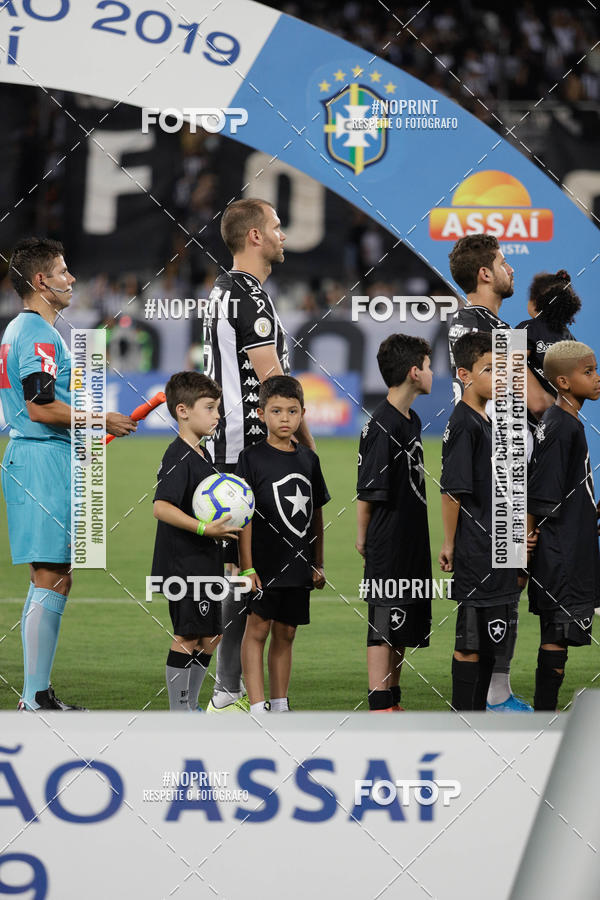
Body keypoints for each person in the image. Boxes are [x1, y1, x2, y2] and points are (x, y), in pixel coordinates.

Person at [0, 237, 137, 710]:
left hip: (45, 458)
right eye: (62, 271)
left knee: (56, 574)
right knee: (52, 575)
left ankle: (38, 691)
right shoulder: (36, 332)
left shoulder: (33, 329)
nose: (71, 278)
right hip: (42, 458)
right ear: (41, 282)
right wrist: (102, 420)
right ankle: (35, 696)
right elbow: (40, 409)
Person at [203, 198, 315, 713]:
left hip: (223, 446)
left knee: (237, 567)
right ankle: (229, 691)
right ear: (254, 238)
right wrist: (304, 444)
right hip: (246, 449)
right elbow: (273, 380)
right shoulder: (247, 294)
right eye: (275, 226)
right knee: (246, 569)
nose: (282, 235)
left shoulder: (223, 291)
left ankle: (228, 687)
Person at [447, 233, 547, 712]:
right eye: (505, 262)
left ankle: (494, 690)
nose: (512, 269)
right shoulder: (488, 331)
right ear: (485, 273)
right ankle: (493, 693)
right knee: (503, 584)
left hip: (495, 467)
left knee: (506, 583)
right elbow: (536, 402)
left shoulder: (474, 324)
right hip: (499, 472)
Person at [439, 332, 523, 711]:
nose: (499, 377)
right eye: (489, 370)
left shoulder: (485, 420)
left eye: (502, 369)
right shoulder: (464, 424)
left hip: (497, 548)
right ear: (464, 374)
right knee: (470, 642)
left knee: (493, 638)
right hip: (476, 550)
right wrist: (449, 543)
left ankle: (481, 719)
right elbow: (453, 490)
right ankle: (463, 721)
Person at [237, 376, 328, 714]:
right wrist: (247, 567)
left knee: (287, 631)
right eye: (276, 411)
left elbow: (316, 513)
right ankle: (258, 705)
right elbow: (242, 517)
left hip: (298, 562)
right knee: (258, 628)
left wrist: (318, 562)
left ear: (303, 413)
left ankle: (280, 703)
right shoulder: (251, 458)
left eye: (292, 411)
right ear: (261, 414)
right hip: (263, 563)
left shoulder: (309, 460)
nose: (285, 418)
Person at [151, 371, 242, 711]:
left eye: (218, 407)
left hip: (206, 560)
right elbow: (161, 507)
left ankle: (190, 708)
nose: (217, 415)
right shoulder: (179, 455)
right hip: (184, 564)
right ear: (182, 411)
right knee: (188, 636)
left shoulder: (202, 455)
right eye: (209, 407)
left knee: (210, 636)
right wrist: (205, 530)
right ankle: (180, 712)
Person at [356, 334, 433, 712]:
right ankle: (378, 702)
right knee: (385, 618)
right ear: (415, 372)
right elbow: (367, 491)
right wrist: (363, 537)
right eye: (429, 365)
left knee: (404, 619)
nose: (434, 372)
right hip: (387, 538)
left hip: (413, 536)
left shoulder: (411, 419)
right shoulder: (382, 424)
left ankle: (393, 698)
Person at [527, 341, 600, 711]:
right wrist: (527, 544)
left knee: (559, 635)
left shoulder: (566, 422)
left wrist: (591, 511)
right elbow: (541, 497)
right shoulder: (559, 428)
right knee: (556, 635)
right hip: (562, 558)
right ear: (563, 381)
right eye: (588, 372)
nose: (597, 378)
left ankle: (545, 714)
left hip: (571, 550)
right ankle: (544, 715)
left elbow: (565, 494)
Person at [515, 269, 581, 453]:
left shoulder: (524, 328)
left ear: (536, 302)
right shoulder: (571, 338)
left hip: (531, 425)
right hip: (565, 422)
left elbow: (510, 368)